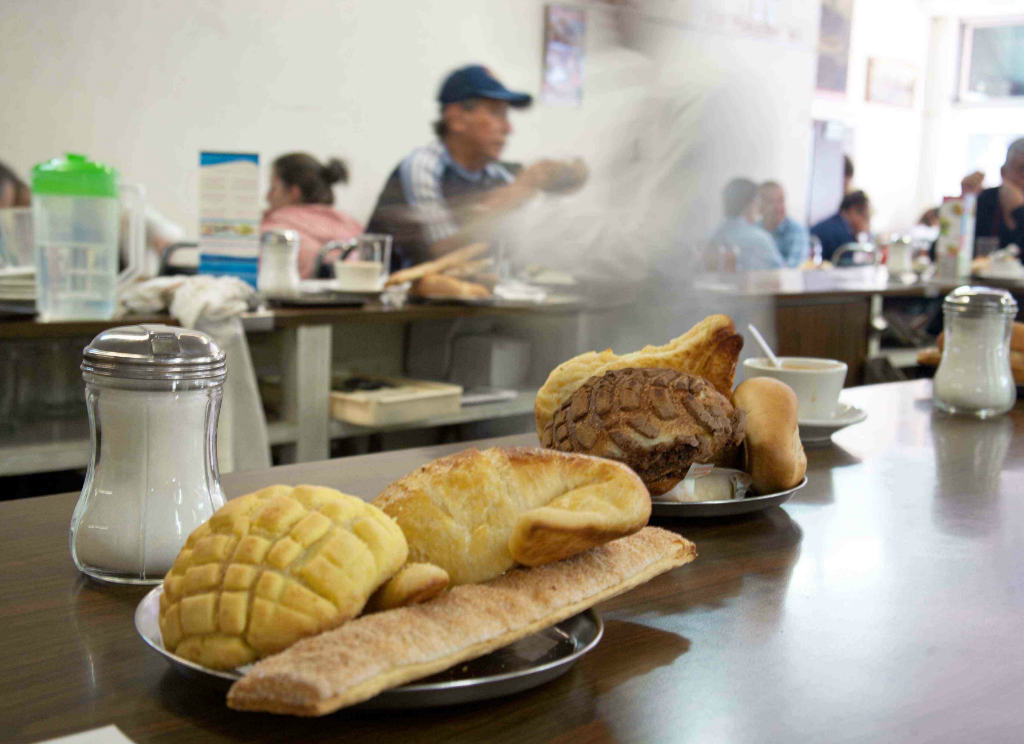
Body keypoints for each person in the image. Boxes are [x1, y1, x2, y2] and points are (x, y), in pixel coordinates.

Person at [365, 64, 586, 270]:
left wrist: (564, 174)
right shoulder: (421, 167)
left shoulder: (499, 174)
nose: (508, 128)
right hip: (400, 307)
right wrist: (506, 201)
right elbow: (443, 256)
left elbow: (517, 254)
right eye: (497, 113)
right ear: (456, 119)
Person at [261, 153, 364, 278]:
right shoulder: (355, 229)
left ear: (294, 192)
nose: (267, 197)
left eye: (273, 188)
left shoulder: (271, 233)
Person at [960, 137, 1024, 251]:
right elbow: (940, 251)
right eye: (1022, 169)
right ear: (1003, 172)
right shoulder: (985, 199)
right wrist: (965, 204)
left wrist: (1019, 210)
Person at [707, 178, 783, 271]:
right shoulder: (761, 240)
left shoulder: (712, 235)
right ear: (751, 204)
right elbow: (780, 273)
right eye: (758, 201)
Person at [810, 190, 871, 263]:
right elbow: (846, 268)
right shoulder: (843, 234)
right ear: (852, 211)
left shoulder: (835, 222)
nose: (866, 222)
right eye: (865, 216)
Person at [757, 181, 809, 268]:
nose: (778, 207)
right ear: (759, 205)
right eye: (771, 202)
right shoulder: (753, 229)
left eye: (781, 200)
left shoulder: (797, 231)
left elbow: (792, 270)